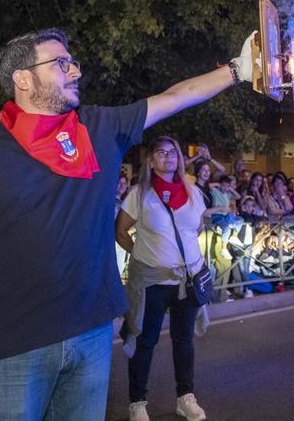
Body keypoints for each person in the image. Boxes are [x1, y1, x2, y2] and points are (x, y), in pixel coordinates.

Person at [0, 27, 256, 420]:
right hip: (13, 346)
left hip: (91, 334)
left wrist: (237, 70)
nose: (74, 71)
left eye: (73, 62)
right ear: (22, 78)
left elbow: (176, 97)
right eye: (60, 63)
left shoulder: (99, 128)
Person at [115, 136, 208, 421]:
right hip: (152, 281)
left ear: (180, 159)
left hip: (188, 279)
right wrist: (145, 254)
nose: (168, 157)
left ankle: (185, 397)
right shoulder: (139, 194)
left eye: (173, 153)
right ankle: (137, 402)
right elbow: (120, 232)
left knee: (184, 340)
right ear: (151, 160)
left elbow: (196, 230)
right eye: (161, 153)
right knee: (145, 340)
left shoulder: (193, 192)